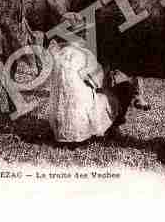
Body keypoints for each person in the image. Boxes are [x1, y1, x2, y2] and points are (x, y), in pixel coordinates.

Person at [49, 14, 132, 145]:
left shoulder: (59, 54)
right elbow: (97, 81)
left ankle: (64, 132)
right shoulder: (85, 55)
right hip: (81, 112)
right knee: (114, 94)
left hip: (61, 115)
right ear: (81, 35)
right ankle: (96, 130)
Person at [108, 0, 151, 111]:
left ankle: (138, 94)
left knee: (135, 55)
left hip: (134, 19)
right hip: (115, 20)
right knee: (114, 57)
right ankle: (113, 91)